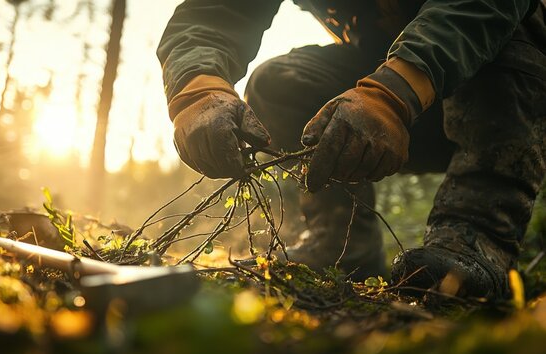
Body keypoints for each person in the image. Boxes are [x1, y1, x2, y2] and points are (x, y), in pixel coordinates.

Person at [157, 0, 546, 299]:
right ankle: (343, 245)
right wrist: (197, 86)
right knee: (280, 83)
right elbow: (215, 11)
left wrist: (394, 93)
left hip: (515, 97)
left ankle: (475, 236)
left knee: (513, 39)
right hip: (410, 101)